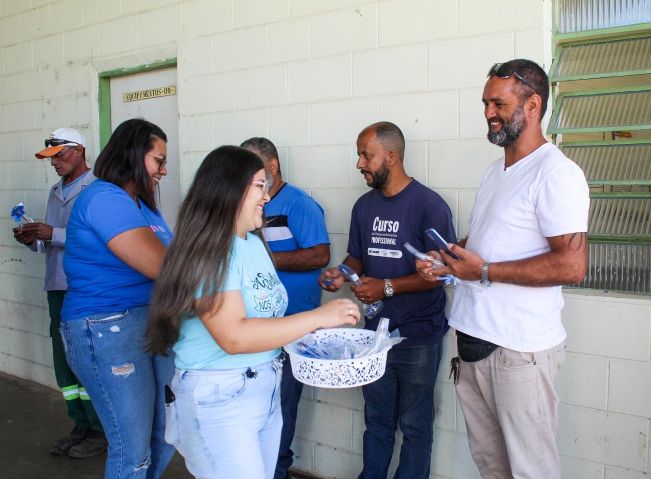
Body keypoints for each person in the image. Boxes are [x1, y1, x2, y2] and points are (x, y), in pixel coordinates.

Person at [416, 59, 589, 478]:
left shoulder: (556, 173)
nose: (489, 113)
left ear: (533, 105)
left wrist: (484, 271)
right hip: (475, 342)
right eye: (485, 103)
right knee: (492, 467)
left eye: (499, 104)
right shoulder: (496, 171)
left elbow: (571, 264)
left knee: (531, 470)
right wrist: (448, 259)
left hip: (519, 352)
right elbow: (488, 242)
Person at [146, 145, 360, 479]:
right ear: (230, 189)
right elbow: (233, 336)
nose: (267, 196)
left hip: (263, 385)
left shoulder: (253, 243)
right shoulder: (209, 251)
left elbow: (265, 318)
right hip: (221, 394)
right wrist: (317, 317)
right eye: (260, 186)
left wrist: (310, 333)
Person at [318, 121, 456, 479]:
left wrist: (387, 287)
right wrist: (341, 273)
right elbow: (357, 259)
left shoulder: (430, 206)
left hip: (418, 336)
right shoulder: (363, 207)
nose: (359, 163)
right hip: (374, 337)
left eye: (367, 155)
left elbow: (441, 273)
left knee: (414, 425)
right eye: (359, 155)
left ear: (391, 157)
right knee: (377, 420)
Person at [59, 118, 176, 478]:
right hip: (107, 327)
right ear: (134, 155)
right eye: (159, 160)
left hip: (150, 321)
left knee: (166, 434)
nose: (163, 170)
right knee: (133, 450)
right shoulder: (104, 198)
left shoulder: (142, 205)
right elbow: (162, 265)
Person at [241, 137, 330, 479]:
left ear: (273, 166)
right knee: (259, 407)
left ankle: (277, 469)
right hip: (256, 326)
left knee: (282, 405)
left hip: (292, 324)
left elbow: (320, 255)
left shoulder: (299, 204)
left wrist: (265, 260)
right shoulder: (245, 207)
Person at [13, 128, 106, 457]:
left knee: (88, 360)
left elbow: (103, 239)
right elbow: (49, 243)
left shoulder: (98, 189)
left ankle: (100, 428)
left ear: (79, 151)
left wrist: (53, 233)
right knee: (64, 361)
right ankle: (80, 423)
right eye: (50, 158)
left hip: (84, 288)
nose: (54, 163)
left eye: (59, 155)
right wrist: (33, 239)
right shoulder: (55, 192)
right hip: (57, 286)